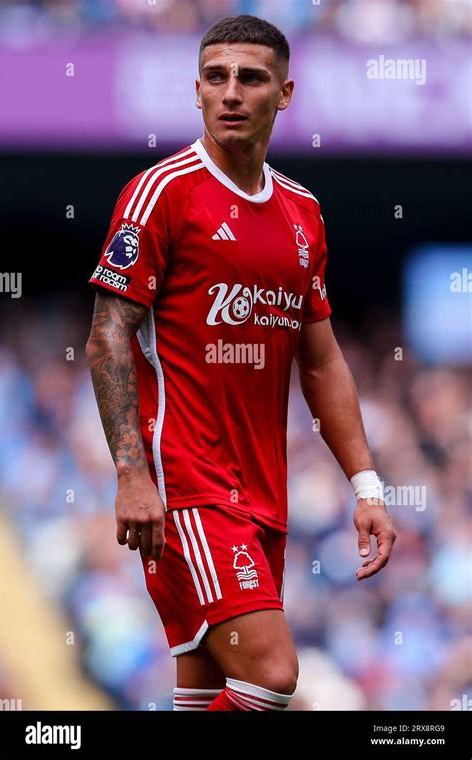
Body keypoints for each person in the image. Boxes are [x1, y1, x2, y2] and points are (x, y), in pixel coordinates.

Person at [86, 14, 396, 712]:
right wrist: (132, 474)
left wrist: (368, 487)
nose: (231, 93)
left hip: (264, 493)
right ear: (195, 90)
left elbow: (320, 360)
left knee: (209, 697)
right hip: (186, 484)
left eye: (250, 78)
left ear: (284, 94)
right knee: (272, 676)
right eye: (217, 78)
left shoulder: (303, 212)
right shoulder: (161, 193)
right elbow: (107, 336)